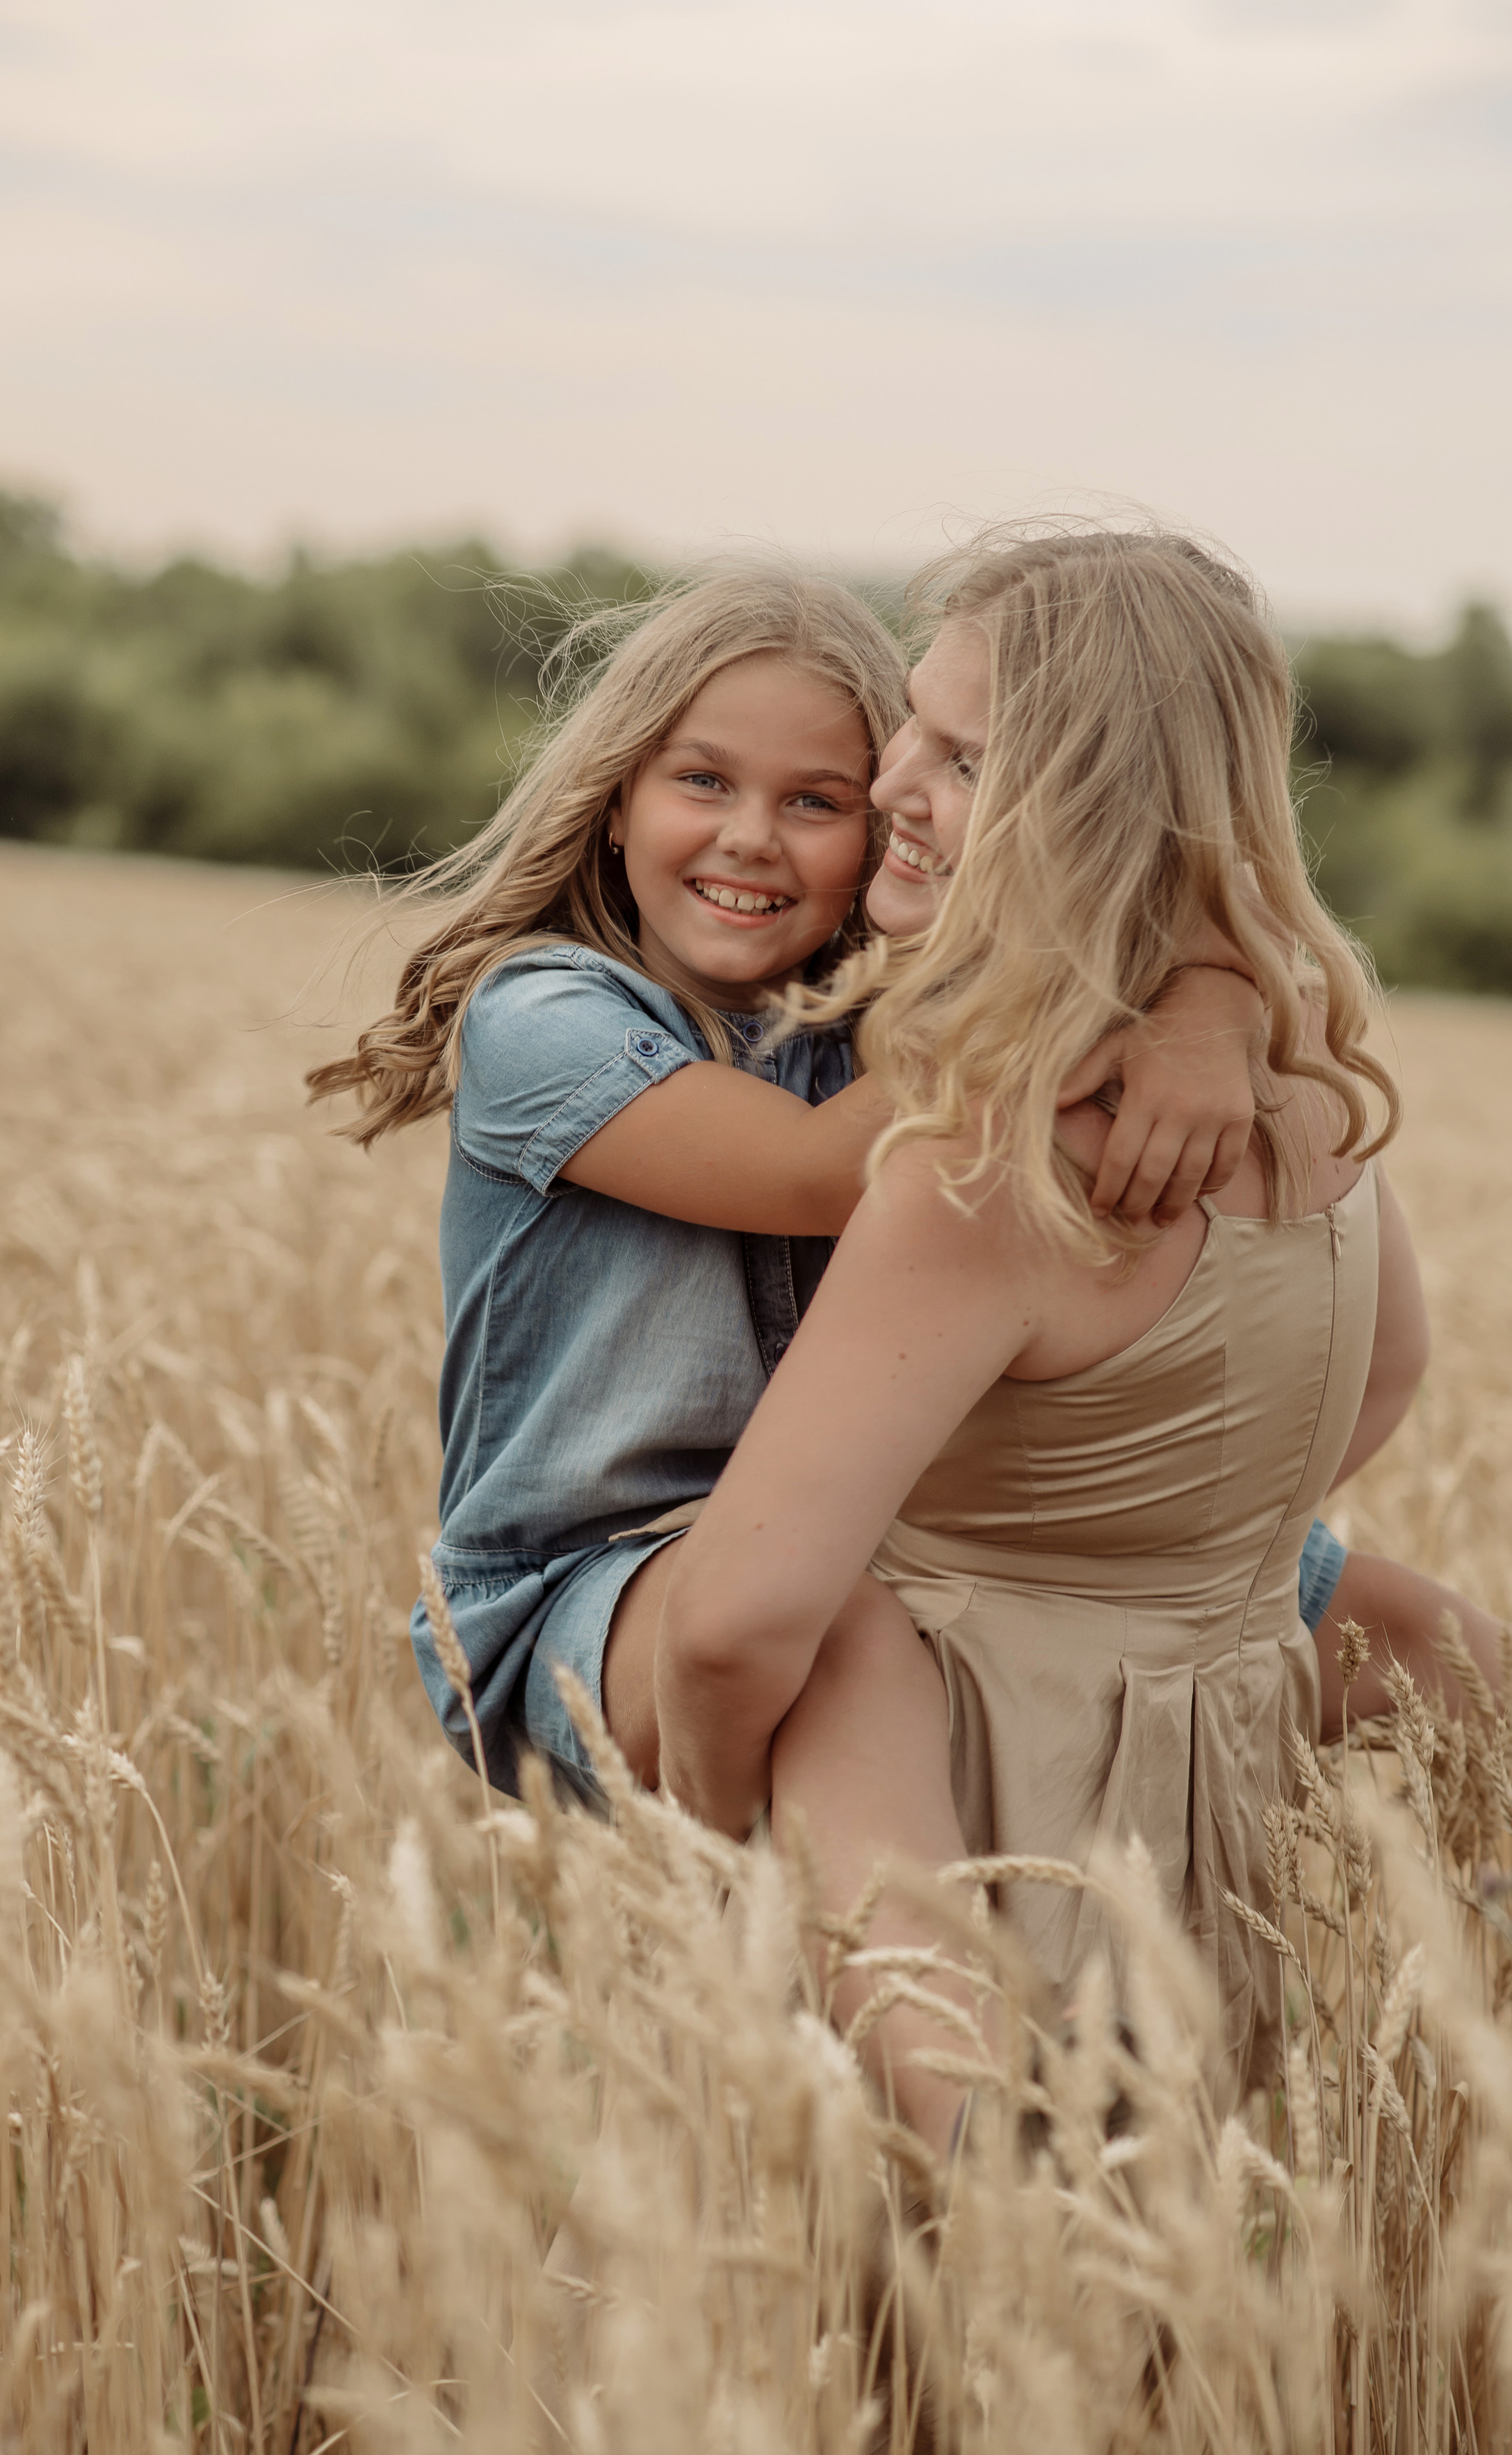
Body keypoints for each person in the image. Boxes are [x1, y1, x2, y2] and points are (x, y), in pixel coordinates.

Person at [645, 526, 1492, 2134]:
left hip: (939, 1853)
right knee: (1142, 2330)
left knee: (898, 2344)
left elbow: (732, 1624)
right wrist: (1165, 1578)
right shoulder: (1300, 1084)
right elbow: (1379, 1376)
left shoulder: (990, 1161)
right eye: (913, 719)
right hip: (1194, 1838)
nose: (892, 778)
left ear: (1095, 812)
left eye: (962, 759)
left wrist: (709, 1859)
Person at [308, 569, 1266, 1808]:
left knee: (1365, 1615)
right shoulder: (542, 1019)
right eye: (702, 781)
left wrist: (1206, 997)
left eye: (814, 801)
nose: (752, 836)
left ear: (878, 827)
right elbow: (814, 1173)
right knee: (830, 1637)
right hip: (585, 1602)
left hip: (863, 1539)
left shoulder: (887, 1019)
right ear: (613, 803)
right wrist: (1093, 1010)